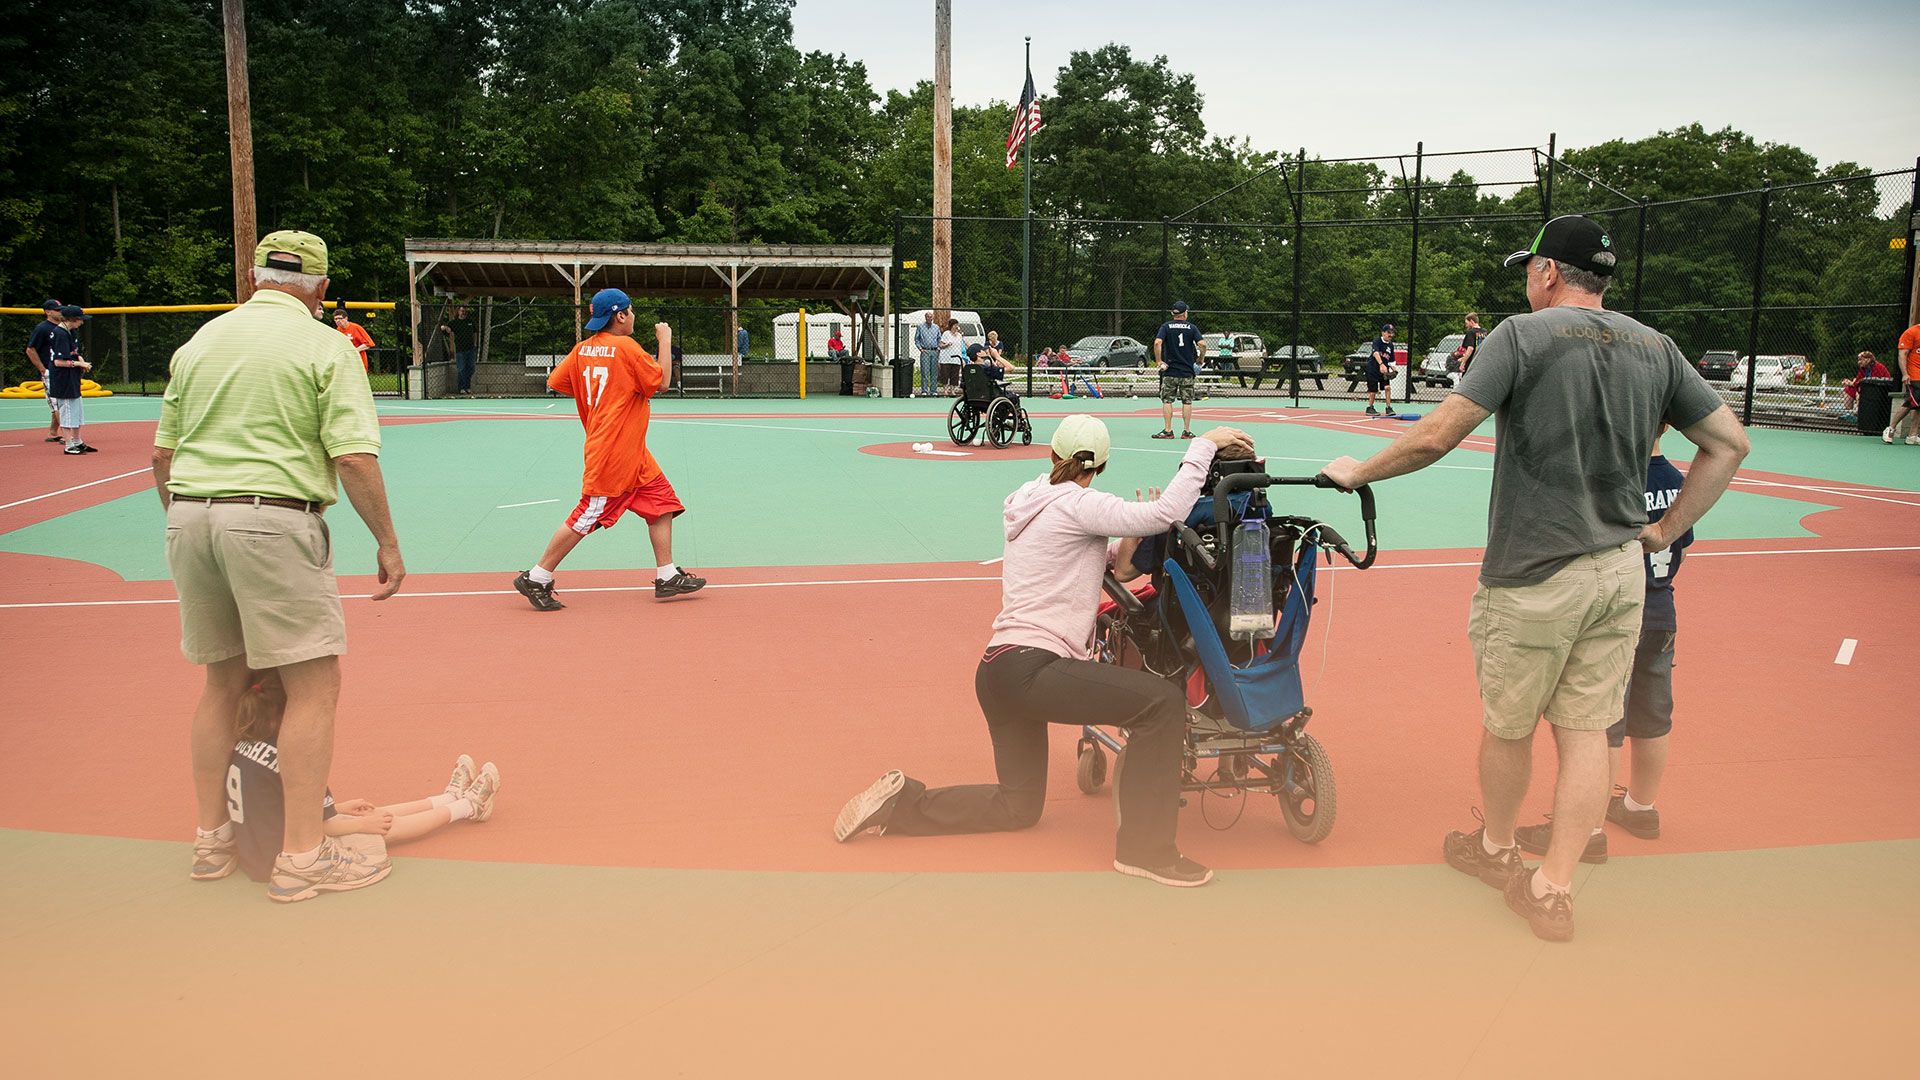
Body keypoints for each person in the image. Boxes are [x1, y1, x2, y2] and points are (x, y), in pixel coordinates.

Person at [1321, 215, 1749, 941]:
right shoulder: (1656, 345)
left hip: (1533, 571)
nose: (1526, 280)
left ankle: (1493, 849)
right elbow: (1729, 443)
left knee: (1511, 724)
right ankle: (1552, 887)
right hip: (1621, 573)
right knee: (1587, 730)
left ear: (1550, 272)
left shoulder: (1519, 335)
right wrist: (1664, 531)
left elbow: (1436, 434)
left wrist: (1356, 470)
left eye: (1530, 269)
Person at [833, 415, 1256, 888]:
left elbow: (1107, 564)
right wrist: (1202, 446)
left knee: (1018, 806)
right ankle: (1145, 849)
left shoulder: (1031, 501)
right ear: (1099, 466)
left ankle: (904, 805)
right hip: (1034, 668)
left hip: (997, 671)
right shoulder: (1079, 503)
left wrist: (1130, 539)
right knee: (1161, 702)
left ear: (1052, 455)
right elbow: (1166, 514)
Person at [155, 229, 407, 903]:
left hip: (189, 514)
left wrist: (185, 521)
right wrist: (387, 542)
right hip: (270, 517)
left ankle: (212, 843)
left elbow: (162, 455)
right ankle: (302, 855)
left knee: (222, 686)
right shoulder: (327, 344)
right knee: (312, 687)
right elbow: (352, 456)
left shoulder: (201, 341)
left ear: (253, 274)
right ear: (320, 289)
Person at [1514, 426, 1692, 864]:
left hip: (1622, 608)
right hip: (1663, 606)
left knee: (1602, 719)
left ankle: (1588, 828)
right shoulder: (1675, 479)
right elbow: (1680, 541)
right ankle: (1641, 808)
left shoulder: (1619, 477)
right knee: (1653, 715)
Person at [512, 288, 705, 611]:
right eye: (630, 311)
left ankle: (667, 575)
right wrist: (665, 340)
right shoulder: (627, 347)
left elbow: (558, 382)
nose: (633, 316)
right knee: (587, 514)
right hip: (613, 452)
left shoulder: (582, 350)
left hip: (632, 453)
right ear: (620, 315)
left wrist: (602, 396)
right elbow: (662, 384)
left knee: (661, 503)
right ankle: (537, 576)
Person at [224, 670, 501, 893]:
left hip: (255, 854)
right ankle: (467, 806)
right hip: (284, 857)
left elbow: (278, 806)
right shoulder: (295, 755)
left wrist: (340, 808)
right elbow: (319, 825)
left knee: (368, 815)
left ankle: (449, 797)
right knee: (383, 825)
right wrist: (362, 825)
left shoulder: (246, 744)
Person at [47, 305, 94, 454]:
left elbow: (74, 352)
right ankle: (68, 444)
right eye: (80, 319)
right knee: (67, 410)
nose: (81, 322)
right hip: (62, 378)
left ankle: (77, 441)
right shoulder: (59, 333)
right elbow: (58, 361)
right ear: (71, 319)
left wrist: (80, 360)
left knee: (77, 409)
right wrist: (79, 363)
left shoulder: (71, 332)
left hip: (72, 376)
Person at [1152, 301, 1202, 439]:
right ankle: (1186, 431)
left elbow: (1157, 342)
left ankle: (1168, 430)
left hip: (1170, 370)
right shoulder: (1192, 328)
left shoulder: (1166, 326)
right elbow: (1202, 344)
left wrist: (1158, 361)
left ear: (1173, 314)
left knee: (1167, 400)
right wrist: (1200, 359)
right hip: (1187, 371)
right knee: (1187, 401)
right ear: (1185, 313)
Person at [24, 299, 64, 443]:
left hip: (62, 370)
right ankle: (68, 435)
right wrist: (42, 369)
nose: (60, 312)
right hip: (50, 371)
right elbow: (30, 349)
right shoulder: (42, 328)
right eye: (57, 310)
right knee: (57, 404)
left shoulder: (62, 326)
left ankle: (53, 433)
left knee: (60, 402)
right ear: (48, 312)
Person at [1883, 322, 1920, 444]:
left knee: (1917, 404)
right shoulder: (1911, 332)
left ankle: (1913, 435)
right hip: (1913, 375)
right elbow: (1902, 354)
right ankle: (1890, 429)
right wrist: (1905, 373)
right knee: (1911, 402)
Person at [437, 303, 476, 395]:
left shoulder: (470, 321)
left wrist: (475, 344)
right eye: (462, 311)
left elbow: (475, 332)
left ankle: (468, 386)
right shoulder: (455, 322)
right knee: (461, 369)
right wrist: (444, 327)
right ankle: (462, 388)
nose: (463, 313)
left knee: (471, 368)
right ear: (458, 312)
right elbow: (448, 328)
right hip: (460, 350)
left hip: (471, 349)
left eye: (465, 311)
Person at [1365, 324, 1397, 416]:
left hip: (1383, 371)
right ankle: (1370, 407)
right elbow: (1375, 353)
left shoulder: (1390, 345)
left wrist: (1394, 369)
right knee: (1373, 390)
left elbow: (1391, 360)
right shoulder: (1377, 341)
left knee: (1387, 387)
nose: (1390, 335)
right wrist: (1381, 364)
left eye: (1391, 333)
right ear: (1383, 333)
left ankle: (1388, 408)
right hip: (1373, 369)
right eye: (1388, 332)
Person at [913, 311, 942, 398]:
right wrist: (920, 349)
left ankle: (933, 391)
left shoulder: (936, 327)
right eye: (927, 316)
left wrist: (938, 349)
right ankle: (924, 390)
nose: (929, 318)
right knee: (925, 371)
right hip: (925, 351)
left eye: (930, 316)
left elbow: (939, 339)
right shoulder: (920, 327)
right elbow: (917, 339)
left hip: (934, 351)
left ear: (932, 317)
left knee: (934, 371)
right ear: (925, 317)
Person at [938, 317, 966, 395]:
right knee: (945, 374)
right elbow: (940, 344)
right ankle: (945, 390)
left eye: (957, 325)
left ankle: (952, 390)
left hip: (956, 358)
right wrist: (946, 344)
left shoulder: (959, 335)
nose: (956, 326)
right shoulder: (946, 333)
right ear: (951, 325)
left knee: (954, 375)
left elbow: (961, 345)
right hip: (946, 358)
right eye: (955, 325)